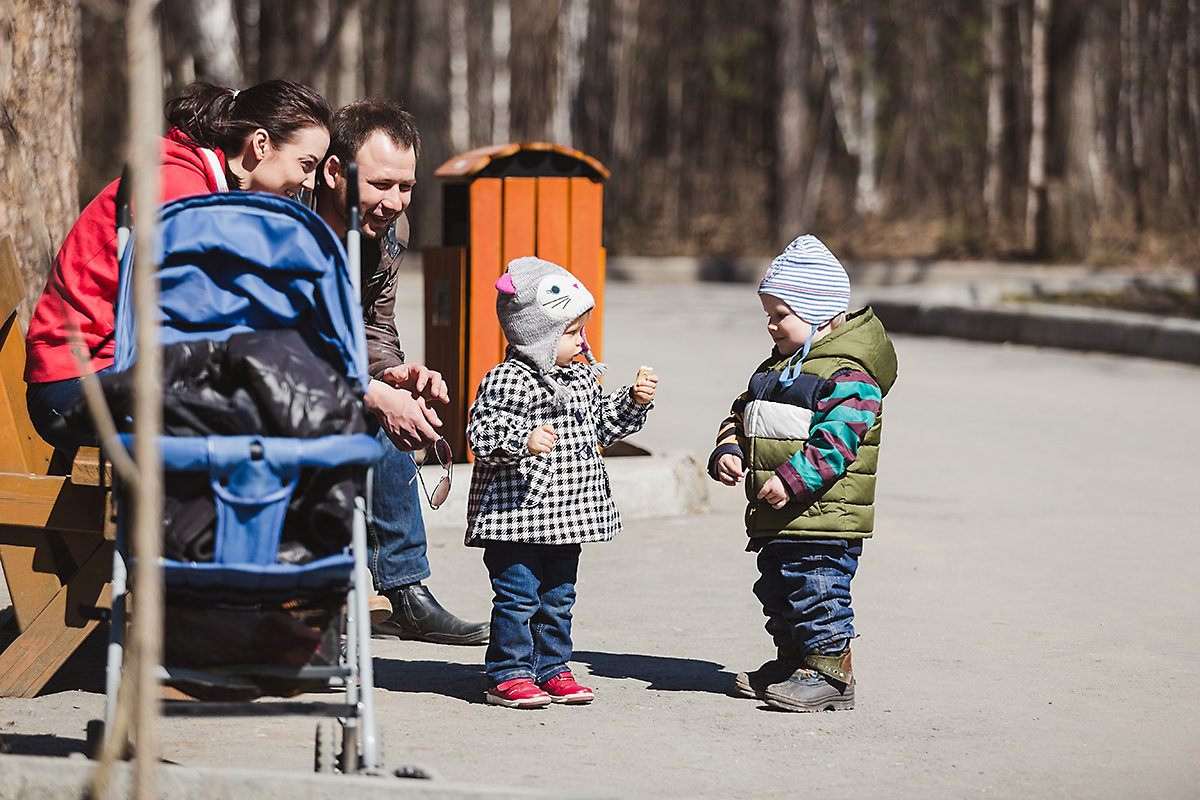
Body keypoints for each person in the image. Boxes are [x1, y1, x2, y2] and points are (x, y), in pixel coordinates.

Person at [25, 79, 333, 451]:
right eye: (306, 165)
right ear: (261, 145)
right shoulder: (180, 191)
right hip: (76, 383)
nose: (312, 182)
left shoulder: (206, 187)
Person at [312, 99, 489, 644]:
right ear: (334, 171)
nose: (394, 202)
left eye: (405, 186)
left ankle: (404, 590)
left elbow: (374, 326)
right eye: (381, 183)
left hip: (330, 379)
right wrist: (368, 392)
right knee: (372, 419)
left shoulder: (389, 231)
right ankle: (322, 597)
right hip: (280, 387)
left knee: (392, 417)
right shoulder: (286, 218)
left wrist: (396, 375)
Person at [707, 234, 897, 713]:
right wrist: (729, 447)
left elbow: (838, 442)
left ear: (818, 312)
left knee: (816, 589)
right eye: (768, 315)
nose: (770, 326)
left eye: (781, 315)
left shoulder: (848, 374)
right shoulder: (779, 367)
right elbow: (744, 413)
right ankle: (793, 660)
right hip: (780, 513)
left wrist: (792, 480)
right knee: (779, 590)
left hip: (822, 515)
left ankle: (831, 672)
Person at [466, 256, 657, 708]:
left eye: (580, 330)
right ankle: (508, 673)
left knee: (558, 598)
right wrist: (522, 438)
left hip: (567, 516)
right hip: (515, 515)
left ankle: (551, 666)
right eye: (571, 333)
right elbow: (480, 434)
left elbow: (601, 429)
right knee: (517, 598)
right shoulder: (507, 379)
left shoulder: (580, 378)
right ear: (538, 336)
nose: (581, 341)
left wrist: (631, 401)